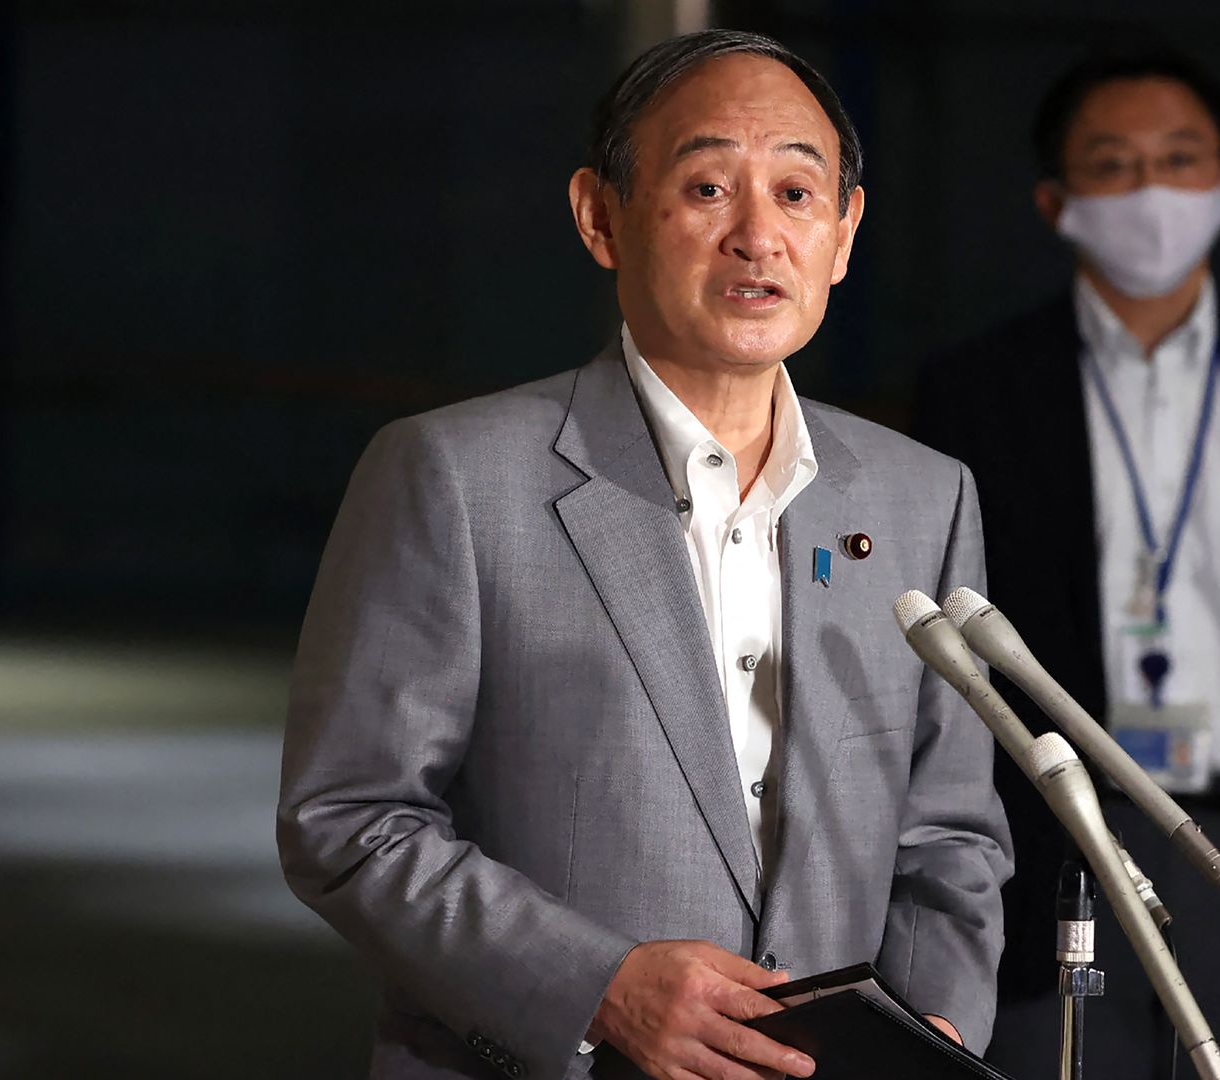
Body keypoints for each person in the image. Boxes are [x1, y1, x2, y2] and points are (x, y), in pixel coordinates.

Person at [278, 30, 1012, 1080]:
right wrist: (599, 987)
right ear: (600, 216)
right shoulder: (454, 476)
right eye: (708, 188)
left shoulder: (921, 497)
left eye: (796, 194)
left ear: (845, 233)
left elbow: (951, 837)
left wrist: (932, 1036)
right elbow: (350, 818)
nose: (758, 237)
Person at [916, 48, 1220, 1080]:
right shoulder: (977, 393)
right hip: (1053, 841)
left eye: (1179, 159)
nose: (1151, 191)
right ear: (1056, 201)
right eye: (1113, 164)